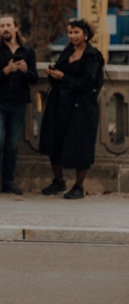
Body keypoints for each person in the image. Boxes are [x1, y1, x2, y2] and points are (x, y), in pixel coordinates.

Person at [39, 18, 105, 200]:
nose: (72, 36)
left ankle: (78, 186)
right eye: (70, 32)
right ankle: (58, 180)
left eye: (76, 32)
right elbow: (61, 76)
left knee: (80, 146)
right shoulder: (67, 51)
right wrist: (53, 74)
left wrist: (63, 77)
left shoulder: (92, 55)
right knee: (54, 140)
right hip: (60, 103)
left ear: (85, 34)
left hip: (81, 108)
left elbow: (88, 83)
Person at [0, 15, 38, 195]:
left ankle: (8, 181)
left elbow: (34, 79)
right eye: (2, 26)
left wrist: (25, 70)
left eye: (8, 25)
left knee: (12, 144)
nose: (5, 29)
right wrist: (7, 70)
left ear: (16, 28)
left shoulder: (28, 51)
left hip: (18, 102)